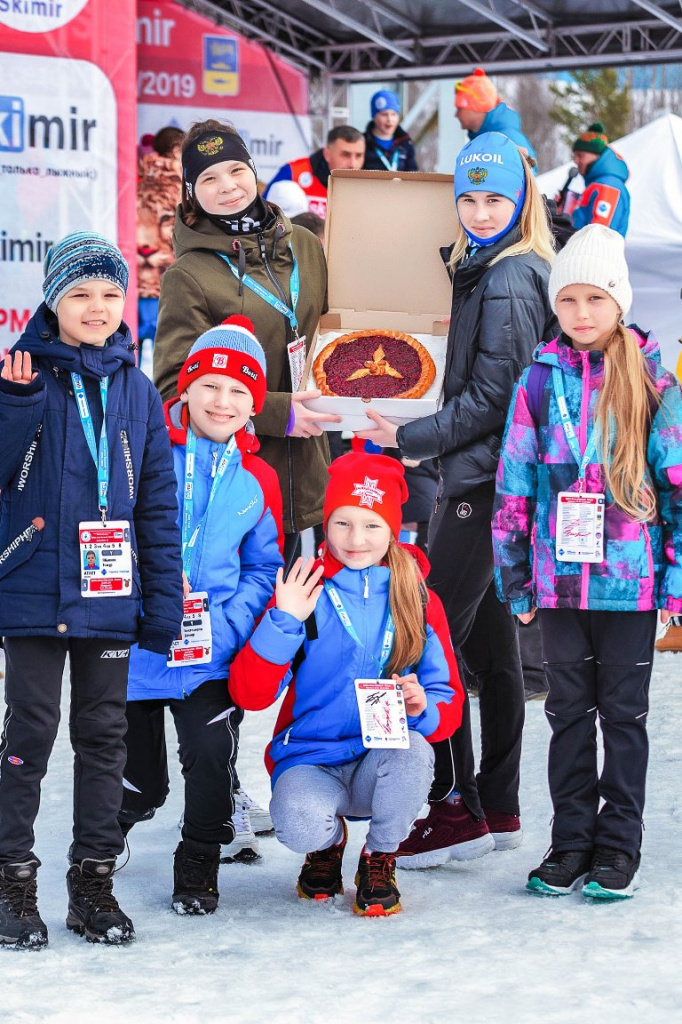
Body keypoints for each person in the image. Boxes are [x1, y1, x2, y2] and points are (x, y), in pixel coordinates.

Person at [355, 132, 556, 866]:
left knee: (427, 635)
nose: (477, 210)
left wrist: (408, 436)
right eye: (467, 198)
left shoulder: (505, 279)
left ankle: (454, 805)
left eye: (494, 197)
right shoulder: (496, 270)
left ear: (521, 201)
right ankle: (497, 804)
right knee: (492, 650)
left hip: (479, 484)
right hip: (493, 481)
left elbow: (492, 399)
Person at [0, 232, 183, 948]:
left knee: (104, 740)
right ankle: (13, 880)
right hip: (33, 589)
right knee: (29, 736)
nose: (98, 307)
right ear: (52, 300)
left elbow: (157, 503)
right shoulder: (21, 373)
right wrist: (13, 405)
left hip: (110, 596)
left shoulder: (137, 388)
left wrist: (161, 600)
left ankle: (93, 883)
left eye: (110, 293)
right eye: (80, 293)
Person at [492, 224, 682, 899]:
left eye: (594, 299)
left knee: (623, 715)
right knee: (567, 712)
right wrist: (512, 571)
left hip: (629, 587)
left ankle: (617, 846)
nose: (580, 313)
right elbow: (514, 483)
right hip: (560, 584)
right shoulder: (538, 382)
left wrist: (676, 581)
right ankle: (570, 841)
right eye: (567, 300)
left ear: (619, 302)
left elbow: (679, 486)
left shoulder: (653, 381)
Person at [229, 453, 463, 915]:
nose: (355, 540)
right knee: (296, 823)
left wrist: (424, 707)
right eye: (342, 523)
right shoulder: (303, 590)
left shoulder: (416, 596)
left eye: (371, 526)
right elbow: (250, 694)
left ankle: (379, 856)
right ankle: (328, 844)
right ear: (326, 523)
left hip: (381, 757)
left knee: (416, 753)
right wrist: (283, 619)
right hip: (311, 759)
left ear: (393, 529)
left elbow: (447, 703)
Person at [119, 316, 283, 914]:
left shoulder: (258, 479)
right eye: (210, 384)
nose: (223, 400)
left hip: (207, 655)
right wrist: (136, 604)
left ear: (253, 406)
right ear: (184, 388)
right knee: (141, 782)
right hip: (136, 647)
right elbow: (112, 535)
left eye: (240, 390)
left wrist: (226, 627)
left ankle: (198, 862)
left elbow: (264, 569)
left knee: (212, 763)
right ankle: (100, 846)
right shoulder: (142, 450)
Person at [152, 119, 339, 566]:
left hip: (312, 466)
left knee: (295, 619)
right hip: (236, 482)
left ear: (253, 170)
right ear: (192, 192)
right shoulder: (189, 275)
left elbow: (337, 330)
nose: (228, 186)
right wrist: (279, 411)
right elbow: (175, 388)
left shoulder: (306, 246)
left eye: (235, 170)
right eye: (209, 178)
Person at [137, 126, 185, 356]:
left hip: (135, 280)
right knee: (165, 362)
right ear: (176, 150)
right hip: (168, 280)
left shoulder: (136, 179)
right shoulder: (182, 187)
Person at [265, 126, 365, 218]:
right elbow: (263, 212)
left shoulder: (367, 186)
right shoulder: (293, 172)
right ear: (327, 154)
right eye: (345, 155)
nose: (353, 164)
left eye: (359, 156)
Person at [454, 67, 537, 166]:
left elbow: (529, 176)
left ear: (476, 107)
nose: (456, 115)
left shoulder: (508, 138)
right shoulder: (490, 137)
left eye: (460, 109)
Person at [567, 123, 630, 237]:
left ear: (596, 156)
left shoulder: (607, 187)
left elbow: (598, 236)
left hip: (590, 254)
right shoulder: (597, 184)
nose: (576, 161)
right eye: (574, 156)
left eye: (580, 155)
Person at [362, 90, 418, 173]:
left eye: (394, 114)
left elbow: (413, 172)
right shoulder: (363, 141)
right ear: (374, 116)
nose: (389, 119)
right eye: (384, 114)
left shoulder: (405, 143)